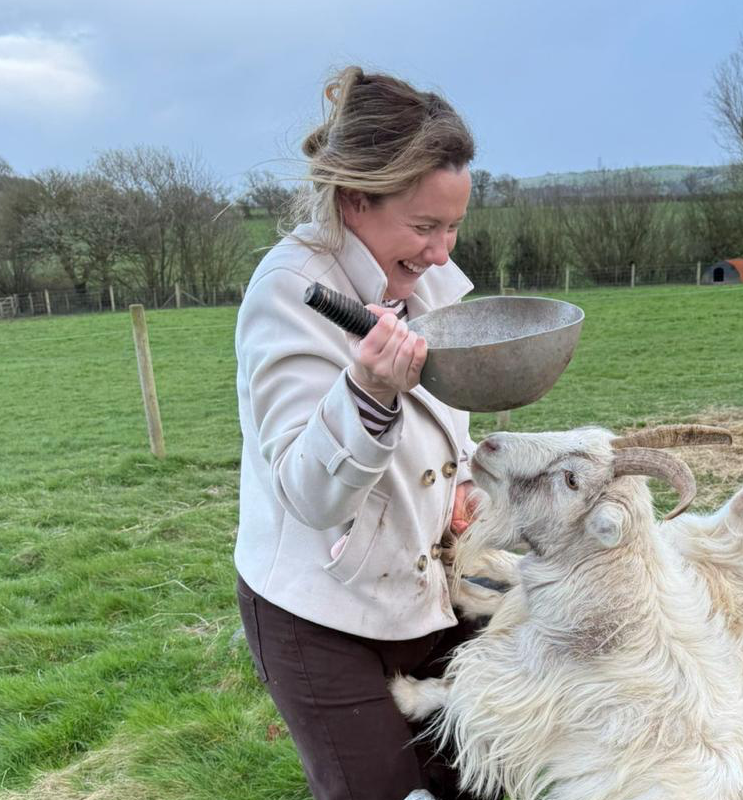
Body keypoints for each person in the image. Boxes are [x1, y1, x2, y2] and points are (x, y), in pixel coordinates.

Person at [233, 66, 483, 800]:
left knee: (482, 775)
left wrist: (461, 476)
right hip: (319, 613)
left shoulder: (423, 278)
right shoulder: (288, 292)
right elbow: (308, 493)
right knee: (378, 790)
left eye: (454, 225)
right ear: (355, 201)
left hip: (427, 591)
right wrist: (369, 392)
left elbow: (446, 415)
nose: (442, 251)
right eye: (425, 225)